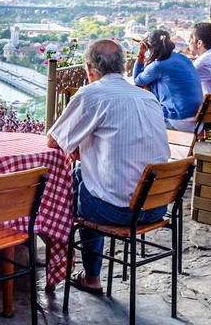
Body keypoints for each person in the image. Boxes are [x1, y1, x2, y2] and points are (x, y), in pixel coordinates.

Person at [46, 39, 170, 294]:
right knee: (82, 176)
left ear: (90, 69)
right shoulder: (147, 98)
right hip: (156, 206)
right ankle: (83, 270)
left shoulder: (92, 94)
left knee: (73, 185)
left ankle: (79, 270)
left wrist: (80, 151)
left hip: (118, 212)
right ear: (123, 67)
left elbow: (53, 140)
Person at [133, 30, 203, 132]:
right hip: (196, 120)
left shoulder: (158, 65)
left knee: (139, 123)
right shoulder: (183, 58)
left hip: (178, 119)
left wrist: (141, 53)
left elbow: (137, 81)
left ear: (149, 47)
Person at [189, 22, 211, 95]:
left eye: (191, 38)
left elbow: (182, 80)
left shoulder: (203, 62)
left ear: (199, 43)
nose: (189, 41)